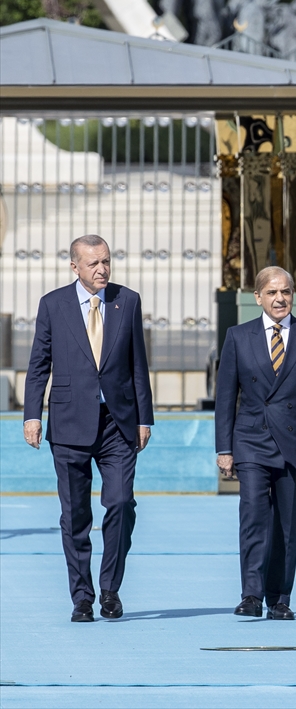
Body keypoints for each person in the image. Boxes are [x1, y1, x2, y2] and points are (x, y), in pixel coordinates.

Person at [23, 235, 154, 623]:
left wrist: (144, 418)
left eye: (106, 261)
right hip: (69, 424)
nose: (102, 269)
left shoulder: (127, 300)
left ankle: (110, 588)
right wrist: (32, 415)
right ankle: (82, 597)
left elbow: (138, 363)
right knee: (75, 514)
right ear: (74, 266)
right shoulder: (53, 304)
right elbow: (38, 364)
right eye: (93, 263)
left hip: (118, 423)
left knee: (121, 503)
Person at [215, 267, 296, 620]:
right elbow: (226, 397)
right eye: (271, 293)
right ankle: (251, 595)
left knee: (286, 524)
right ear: (258, 297)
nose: (280, 299)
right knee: (253, 516)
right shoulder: (238, 336)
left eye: (285, 292)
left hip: (295, 441)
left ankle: (279, 598)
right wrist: (224, 449)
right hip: (251, 440)